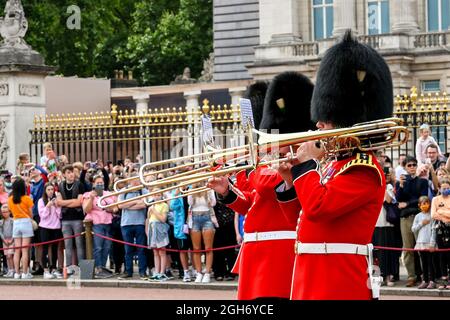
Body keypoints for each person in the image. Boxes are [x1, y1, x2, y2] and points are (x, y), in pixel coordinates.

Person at [286, 31, 393, 300]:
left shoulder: (363, 169)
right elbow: (300, 220)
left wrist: (304, 166)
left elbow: (319, 208)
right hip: (312, 277)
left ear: (348, 119)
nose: (318, 124)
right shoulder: (332, 166)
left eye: (328, 118)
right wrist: (290, 179)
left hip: (337, 281)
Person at [208, 71, 315, 299]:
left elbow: (267, 185)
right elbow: (250, 204)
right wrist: (226, 191)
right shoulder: (263, 161)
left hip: (280, 250)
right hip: (254, 248)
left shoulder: (296, 161)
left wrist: (254, 162)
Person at [395, 156, 428, 287]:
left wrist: (407, 203)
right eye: (409, 165)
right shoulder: (400, 182)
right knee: (408, 248)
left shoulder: (423, 182)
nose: (412, 167)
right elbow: (398, 200)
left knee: (421, 247)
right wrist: (402, 186)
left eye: (414, 164)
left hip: (419, 216)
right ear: (405, 167)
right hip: (405, 219)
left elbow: (422, 199)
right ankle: (411, 276)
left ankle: (425, 275)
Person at [83, 175, 116, 279]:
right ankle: (98, 268)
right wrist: (91, 198)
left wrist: (108, 208)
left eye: (101, 183)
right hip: (97, 223)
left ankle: (103, 268)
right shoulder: (88, 194)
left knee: (107, 247)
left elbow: (115, 208)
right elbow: (86, 209)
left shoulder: (108, 194)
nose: (100, 185)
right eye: (97, 183)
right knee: (98, 247)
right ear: (93, 184)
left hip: (108, 222)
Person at [117, 173, 148, 280]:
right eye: (134, 179)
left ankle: (142, 271)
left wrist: (129, 204)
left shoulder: (143, 191)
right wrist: (135, 202)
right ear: (130, 180)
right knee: (128, 249)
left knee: (141, 249)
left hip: (140, 223)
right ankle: (128, 271)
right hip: (126, 223)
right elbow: (120, 205)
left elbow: (144, 204)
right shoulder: (123, 191)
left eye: (138, 179)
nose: (136, 182)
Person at [56, 165, 86, 272]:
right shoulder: (60, 185)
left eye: (72, 172)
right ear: (64, 174)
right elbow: (58, 202)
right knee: (67, 245)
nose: (71, 174)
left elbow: (79, 202)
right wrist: (72, 202)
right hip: (65, 219)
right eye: (68, 172)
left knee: (79, 244)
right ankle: (68, 267)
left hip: (78, 218)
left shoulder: (79, 185)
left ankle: (81, 267)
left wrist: (65, 203)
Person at [372, 168, 397, 287]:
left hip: (386, 225)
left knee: (386, 251)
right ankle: (378, 276)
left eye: (386, 175)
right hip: (374, 224)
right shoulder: (372, 186)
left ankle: (388, 276)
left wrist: (384, 184)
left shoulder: (389, 187)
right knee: (377, 252)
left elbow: (388, 199)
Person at [187, 188, 216, 283]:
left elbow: (213, 203)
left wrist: (207, 192)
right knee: (196, 248)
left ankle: (207, 273)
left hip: (207, 217)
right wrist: (192, 191)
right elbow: (190, 203)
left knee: (208, 248)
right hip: (195, 218)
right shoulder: (191, 189)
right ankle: (199, 273)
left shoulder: (209, 188)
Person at [8, 178, 34, 279]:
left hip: (16, 223)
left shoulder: (10, 199)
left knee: (17, 250)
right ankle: (25, 273)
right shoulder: (27, 199)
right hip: (26, 222)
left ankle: (17, 273)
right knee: (25, 250)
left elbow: (11, 211)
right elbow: (31, 213)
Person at [38, 183, 62, 279]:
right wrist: (47, 206)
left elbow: (60, 215)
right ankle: (45, 270)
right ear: (45, 191)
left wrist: (56, 206)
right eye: (48, 189)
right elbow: (42, 216)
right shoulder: (41, 201)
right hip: (45, 227)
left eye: (52, 189)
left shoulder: (57, 200)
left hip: (56, 227)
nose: (51, 191)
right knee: (45, 249)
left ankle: (53, 268)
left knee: (55, 249)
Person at [412, 196, 437, 289]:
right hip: (421, 242)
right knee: (424, 263)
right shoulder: (418, 216)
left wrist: (432, 243)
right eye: (423, 204)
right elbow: (413, 229)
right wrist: (422, 223)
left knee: (431, 262)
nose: (425, 205)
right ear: (419, 205)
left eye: (426, 203)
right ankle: (425, 280)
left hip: (430, 243)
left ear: (429, 204)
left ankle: (432, 281)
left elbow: (434, 229)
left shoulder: (432, 215)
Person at [146, 190, 170, 281]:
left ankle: (162, 273)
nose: (157, 197)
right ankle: (156, 272)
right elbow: (149, 219)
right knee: (155, 252)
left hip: (160, 228)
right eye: (155, 195)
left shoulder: (164, 205)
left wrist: (154, 211)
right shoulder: (152, 206)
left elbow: (163, 219)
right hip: (152, 228)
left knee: (162, 252)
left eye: (159, 195)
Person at [431, 177, 450, 290]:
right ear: (439, 189)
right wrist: (445, 216)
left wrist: (441, 212)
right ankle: (443, 278)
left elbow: (438, 212)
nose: (446, 190)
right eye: (444, 188)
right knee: (442, 255)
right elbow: (433, 214)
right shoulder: (435, 199)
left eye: (448, 188)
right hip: (440, 229)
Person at [0, 204, 14, 277]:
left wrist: (11, 239)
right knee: (7, 256)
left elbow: (14, 230)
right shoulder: (1, 222)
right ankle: (9, 270)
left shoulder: (12, 220)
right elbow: (0, 232)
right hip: (5, 241)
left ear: (9, 212)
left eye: (6, 212)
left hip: (11, 240)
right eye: (3, 212)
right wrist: (4, 240)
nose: (5, 213)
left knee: (10, 255)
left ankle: (12, 270)